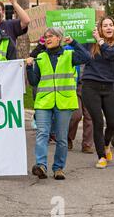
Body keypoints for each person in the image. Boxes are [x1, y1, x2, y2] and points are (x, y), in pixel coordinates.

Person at [27, 28, 91, 180]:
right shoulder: (40, 57)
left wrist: (74, 42)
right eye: (46, 36)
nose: (48, 39)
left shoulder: (69, 55)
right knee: (42, 133)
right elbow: (34, 81)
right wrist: (29, 67)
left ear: (59, 38)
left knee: (62, 138)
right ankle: (41, 165)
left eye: (51, 36)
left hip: (64, 101)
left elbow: (87, 57)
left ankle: (58, 168)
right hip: (44, 102)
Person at [82, 17, 114, 169]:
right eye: (104, 25)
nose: (108, 27)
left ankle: (106, 144)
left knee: (113, 123)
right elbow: (79, 52)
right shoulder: (90, 42)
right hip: (90, 86)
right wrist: (72, 42)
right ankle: (101, 156)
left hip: (109, 86)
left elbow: (111, 55)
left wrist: (100, 40)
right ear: (99, 28)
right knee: (98, 122)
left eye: (111, 25)